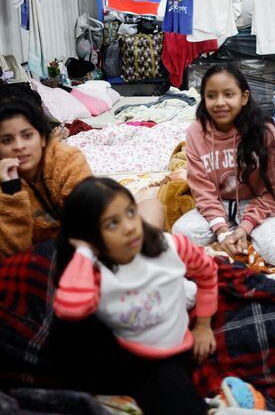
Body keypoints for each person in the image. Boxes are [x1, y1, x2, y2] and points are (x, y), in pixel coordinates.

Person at [52, 177, 218, 415]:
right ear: (90, 238)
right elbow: (69, 310)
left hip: (166, 356)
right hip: (120, 351)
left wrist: (203, 325)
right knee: (64, 326)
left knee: (177, 396)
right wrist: (85, 253)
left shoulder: (171, 247)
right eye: (112, 224)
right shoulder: (94, 270)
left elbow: (208, 272)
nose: (129, 227)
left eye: (131, 213)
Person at [0, 98, 165, 260]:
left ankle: (139, 266)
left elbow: (90, 220)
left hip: (83, 248)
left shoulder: (66, 160)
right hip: (35, 261)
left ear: (41, 138)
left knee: (152, 206)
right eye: (7, 140)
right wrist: (11, 194)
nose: (19, 146)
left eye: (27, 136)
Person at [171, 64, 275, 267]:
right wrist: (221, 232)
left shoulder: (264, 132)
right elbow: (203, 191)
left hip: (257, 204)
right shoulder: (196, 132)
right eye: (211, 96)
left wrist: (245, 227)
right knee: (181, 235)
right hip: (219, 203)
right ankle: (231, 235)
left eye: (228, 94)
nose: (220, 102)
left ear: (244, 97)